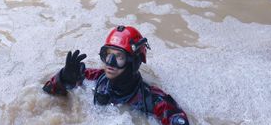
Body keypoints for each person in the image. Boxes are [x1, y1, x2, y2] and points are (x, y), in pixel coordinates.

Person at [42, 26, 190, 125]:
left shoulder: (151, 99)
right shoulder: (94, 77)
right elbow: (46, 93)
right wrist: (63, 78)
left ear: (134, 62)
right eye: (108, 55)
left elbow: (175, 117)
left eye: (119, 57)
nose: (110, 63)